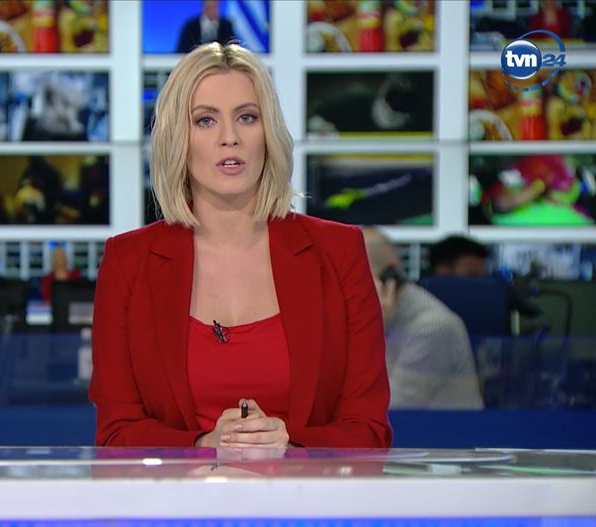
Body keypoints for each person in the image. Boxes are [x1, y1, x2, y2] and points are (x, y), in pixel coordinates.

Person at [89, 43, 392, 449]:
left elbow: (368, 430)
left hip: (306, 490)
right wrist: (202, 447)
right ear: (178, 139)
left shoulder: (338, 252)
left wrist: (291, 450)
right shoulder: (129, 262)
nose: (229, 138)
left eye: (247, 117)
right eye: (205, 120)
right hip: (179, 491)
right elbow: (116, 433)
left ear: (268, 134)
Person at [362, 228, 484, 410]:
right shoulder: (376, 317)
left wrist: (371, 332)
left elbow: (391, 408)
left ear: (390, 276)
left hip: (439, 429)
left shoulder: (434, 327)